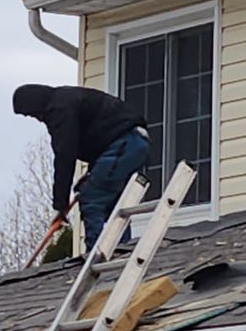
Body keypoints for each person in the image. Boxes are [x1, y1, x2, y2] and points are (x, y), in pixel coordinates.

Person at [12, 83, 150, 249]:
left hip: (125, 143)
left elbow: (64, 155)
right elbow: (101, 139)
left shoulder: (59, 109)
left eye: (32, 114)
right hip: (131, 142)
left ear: (37, 104)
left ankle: (97, 254)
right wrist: (90, 175)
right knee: (113, 204)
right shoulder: (68, 99)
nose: (36, 118)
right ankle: (122, 249)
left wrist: (60, 204)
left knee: (92, 199)